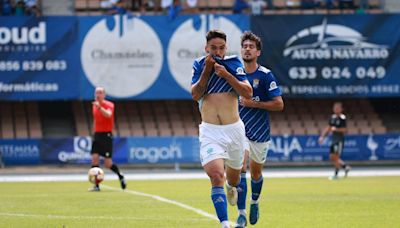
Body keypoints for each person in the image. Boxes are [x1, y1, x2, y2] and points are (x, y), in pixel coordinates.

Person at [191, 29, 253, 228]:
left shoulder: (234, 64)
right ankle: (225, 223)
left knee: (234, 179)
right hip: (210, 132)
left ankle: (231, 187)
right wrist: (207, 71)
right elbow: (195, 94)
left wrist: (226, 75)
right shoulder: (199, 65)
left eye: (221, 48)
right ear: (206, 48)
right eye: (213, 48)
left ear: (226, 48)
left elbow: (248, 93)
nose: (217, 52)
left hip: (233, 130)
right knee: (217, 175)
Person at [235, 31, 284, 228]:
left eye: (251, 47)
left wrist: (254, 104)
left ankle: (254, 202)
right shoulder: (235, 74)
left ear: (258, 52)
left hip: (260, 133)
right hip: (239, 131)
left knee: (255, 174)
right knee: (241, 168)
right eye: (244, 46)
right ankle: (240, 213)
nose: (247, 49)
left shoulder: (265, 75)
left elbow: (279, 104)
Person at [89, 87, 126, 191]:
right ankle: (96, 185)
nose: (98, 95)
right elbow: (96, 120)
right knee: (94, 159)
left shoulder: (109, 105)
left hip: (106, 135)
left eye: (100, 93)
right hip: (97, 135)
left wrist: (100, 107)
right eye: (96, 93)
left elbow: (108, 115)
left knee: (107, 163)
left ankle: (120, 176)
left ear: (104, 94)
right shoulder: (94, 106)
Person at [318, 102, 351, 180]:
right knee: (332, 157)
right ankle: (345, 167)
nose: (335, 109)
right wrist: (322, 137)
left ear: (341, 109)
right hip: (334, 140)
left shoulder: (343, 118)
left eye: (337, 108)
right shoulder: (332, 117)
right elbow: (328, 128)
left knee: (336, 157)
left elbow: (344, 130)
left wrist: (336, 129)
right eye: (334, 107)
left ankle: (336, 175)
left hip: (339, 141)